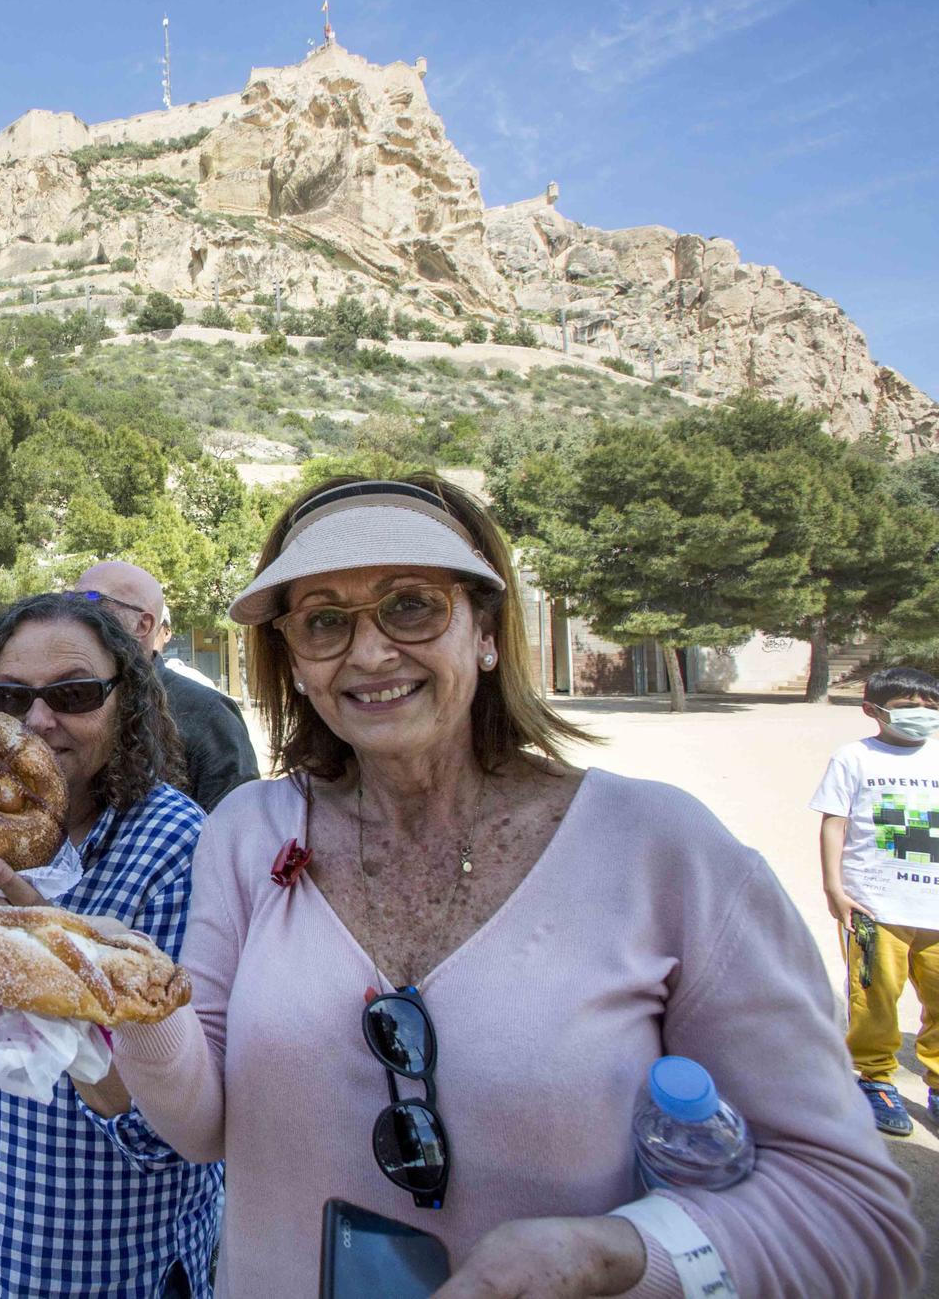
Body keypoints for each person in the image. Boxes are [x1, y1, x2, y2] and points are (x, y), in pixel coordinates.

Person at [111, 475, 924, 1297]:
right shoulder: (249, 832)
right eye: (324, 621)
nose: (367, 652)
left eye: (411, 605)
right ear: (295, 659)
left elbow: (851, 1207)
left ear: (488, 630)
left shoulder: (661, 849)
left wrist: (620, 1255)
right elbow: (203, 1126)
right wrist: (111, 985)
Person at [0, 593, 223, 1299]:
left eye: (72, 693)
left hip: (76, 1264)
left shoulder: (177, 849)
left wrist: (49, 963)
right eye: (11, 696)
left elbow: (176, 1139)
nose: (38, 721)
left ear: (124, 700)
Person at [812, 664, 939, 1136]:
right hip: (876, 906)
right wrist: (834, 888)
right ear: (873, 710)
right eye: (909, 707)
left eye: (931, 707)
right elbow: (834, 823)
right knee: (875, 996)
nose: (922, 716)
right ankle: (877, 1077)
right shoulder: (854, 758)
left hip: (935, 909)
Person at [73, 560, 259, 812]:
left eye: (92, 600)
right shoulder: (59, 701)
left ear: (143, 625)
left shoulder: (206, 712)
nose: (73, 614)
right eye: (70, 600)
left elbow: (237, 828)